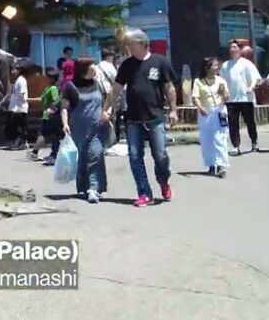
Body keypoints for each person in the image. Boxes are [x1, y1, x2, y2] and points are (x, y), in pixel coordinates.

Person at [103, 28, 177, 207]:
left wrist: (173, 110)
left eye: (131, 44)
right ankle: (144, 193)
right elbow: (116, 89)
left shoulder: (160, 62)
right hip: (133, 119)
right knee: (135, 157)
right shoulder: (127, 65)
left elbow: (169, 88)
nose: (128, 47)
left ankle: (163, 181)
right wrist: (106, 108)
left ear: (142, 43)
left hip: (155, 117)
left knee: (160, 156)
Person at [59, 57, 109, 202]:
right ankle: (83, 188)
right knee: (82, 158)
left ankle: (94, 188)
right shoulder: (70, 87)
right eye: (93, 65)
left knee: (95, 155)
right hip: (78, 128)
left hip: (97, 128)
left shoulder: (98, 83)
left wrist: (107, 112)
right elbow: (64, 108)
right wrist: (65, 124)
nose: (96, 67)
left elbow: (108, 100)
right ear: (85, 69)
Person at [220, 40, 262, 155]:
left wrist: (251, 87)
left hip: (245, 98)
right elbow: (221, 81)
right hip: (231, 99)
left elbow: (255, 78)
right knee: (233, 123)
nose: (232, 50)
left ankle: (254, 142)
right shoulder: (225, 65)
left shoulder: (246, 63)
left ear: (240, 49)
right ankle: (235, 146)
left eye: (234, 47)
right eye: (231, 48)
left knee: (250, 122)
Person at [191, 56, 230, 178]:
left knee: (220, 138)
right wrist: (200, 107)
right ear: (207, 68)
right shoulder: (198, 81)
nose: (217, 68)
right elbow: (195, 97)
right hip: (205, 113)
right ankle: (211, 164)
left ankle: (222, 164)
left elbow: (227, 97)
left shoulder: (221, 81)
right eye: (214, 65)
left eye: (217, 65)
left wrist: (223, 94)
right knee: (206, 140)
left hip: (219, 111)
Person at [31, 68, 62, 163]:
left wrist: (51, 109)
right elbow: (41, 99)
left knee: (45, 134)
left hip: (50, 116)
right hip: (47, 115)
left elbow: (56, 100)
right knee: (52, 136)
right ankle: (53, 154)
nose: (46, 79)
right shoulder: (48, 88)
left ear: (52, 79)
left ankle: (35, 152)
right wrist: (28, 99)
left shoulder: (53, 89)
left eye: (48, 77)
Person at [0, 65, 29, 150]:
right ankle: (20, 142)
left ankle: (22, 143)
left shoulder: (21, 81)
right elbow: (9, 94)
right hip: (14, 108)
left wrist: (22, 103)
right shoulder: (15, 81)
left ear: (19, 71)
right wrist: (0, 103)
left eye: (14, 70)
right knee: (13, 126)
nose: (12, 71)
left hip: (20, 108)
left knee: (19, 127)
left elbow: (22, 94)